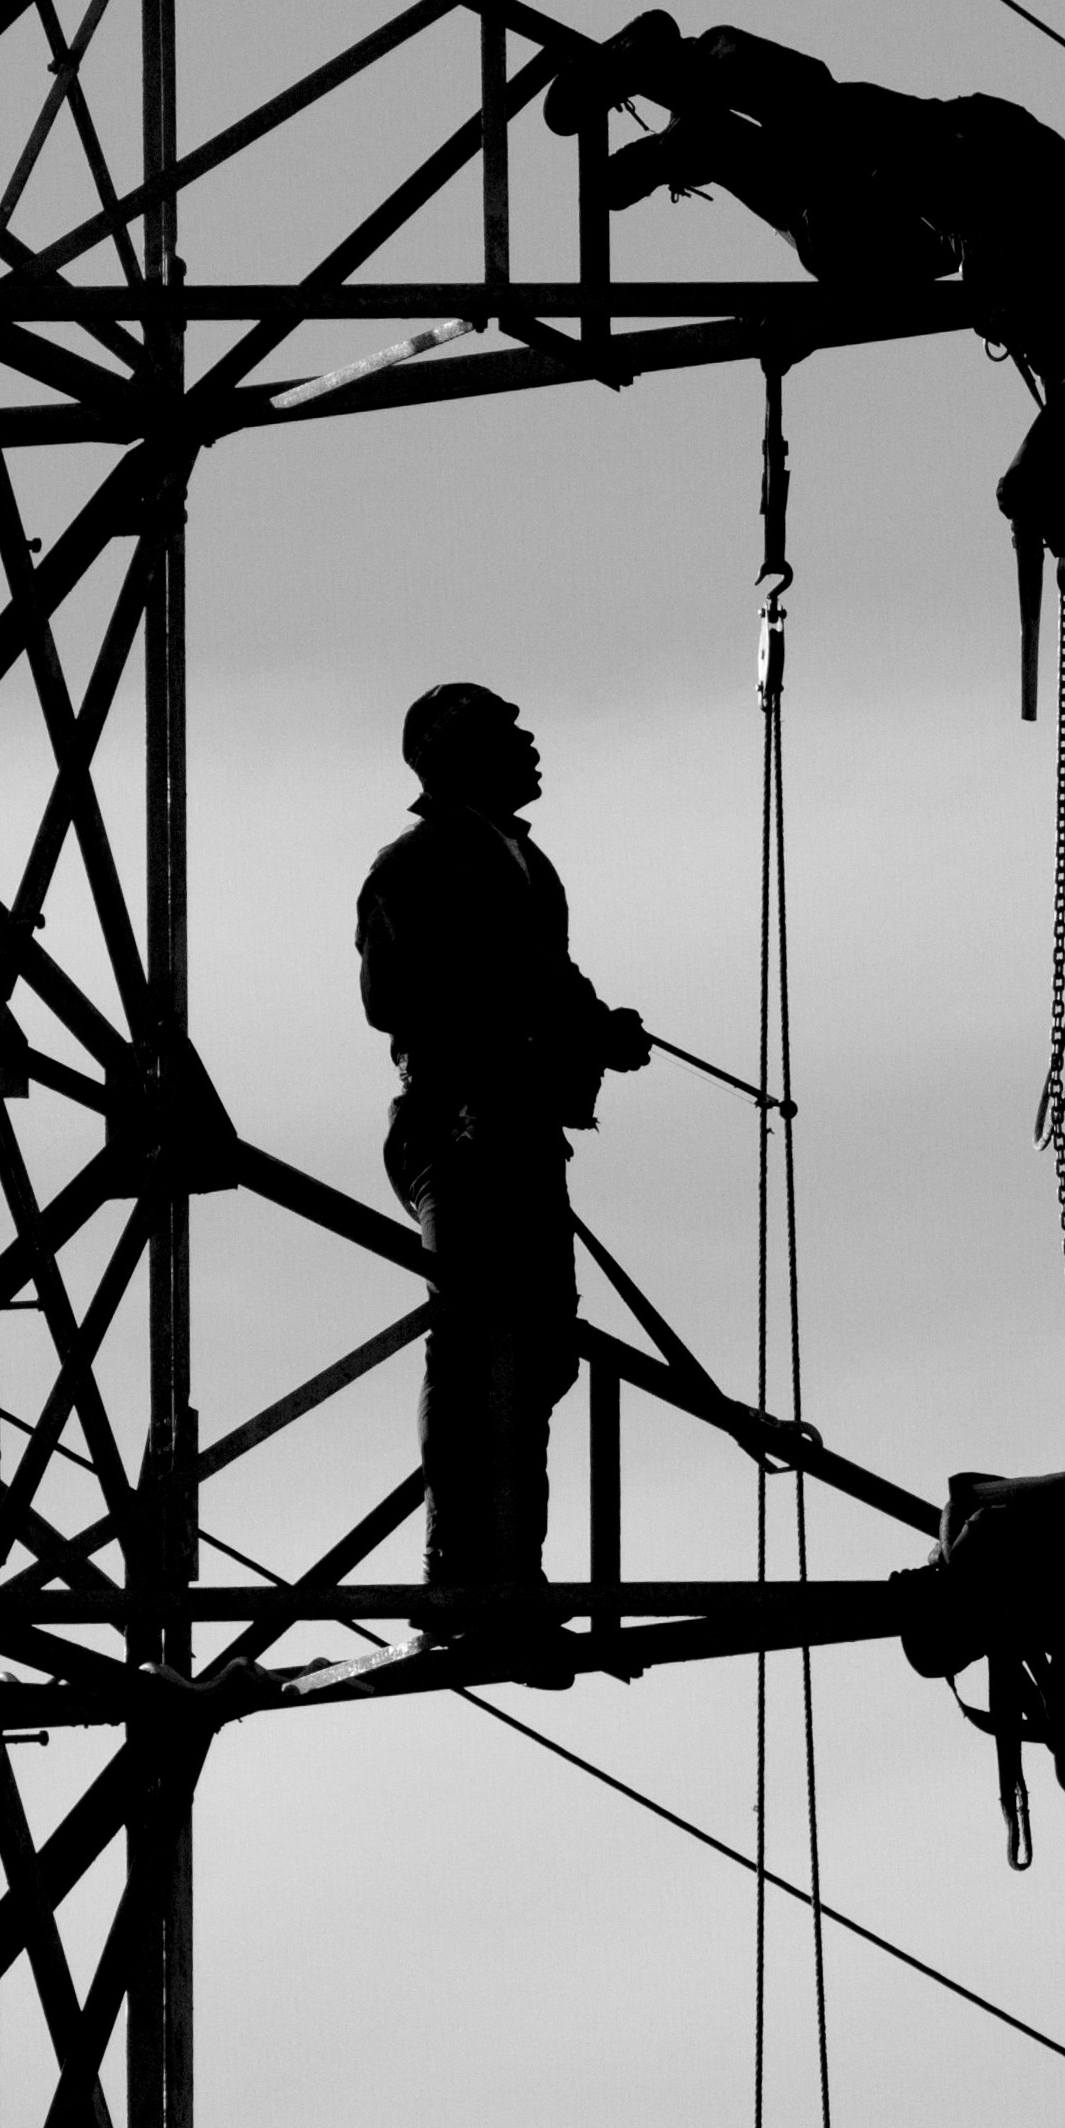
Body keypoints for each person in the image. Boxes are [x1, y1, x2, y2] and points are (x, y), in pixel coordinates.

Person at [545, 14, 1065, 636]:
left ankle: (707, 144)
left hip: (987, 228)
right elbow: (1033, 488)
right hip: (1001, 176)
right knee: (828, 123)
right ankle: (672, 57)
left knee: (845, 245)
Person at [355, 684, 648, 1643]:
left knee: (541, 1351)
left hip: (517, 1130)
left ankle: (512, 1573)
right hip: (457, 1125)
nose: (531, 749)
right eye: (510, 737)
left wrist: (593, 1032)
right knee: (478, 1343)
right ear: (456, 754)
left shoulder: (526, 865)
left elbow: (549, 983)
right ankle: (461, 1579)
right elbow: (400, 997)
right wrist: (524, 1033)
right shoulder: (414, 865)